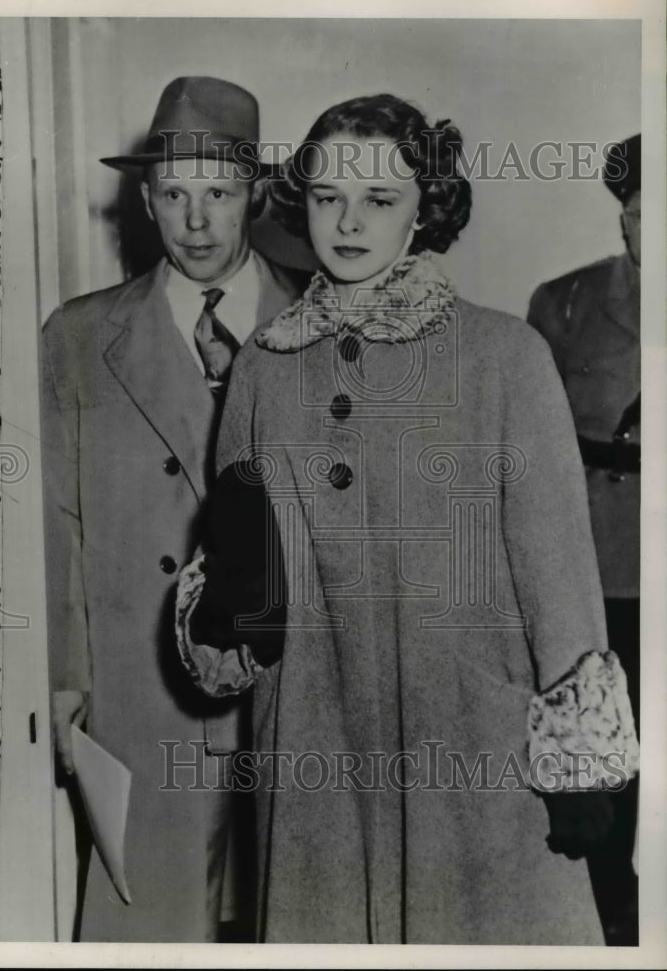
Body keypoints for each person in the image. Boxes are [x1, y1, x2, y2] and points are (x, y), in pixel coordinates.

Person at [175, 95, 639, 944]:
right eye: (327, 199)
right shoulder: (265, 371)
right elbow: (242, 580)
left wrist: (579, 764)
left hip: (472, 744)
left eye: (379, 200)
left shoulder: (504, 357)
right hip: (316, 741)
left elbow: (559, 569)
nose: (348, 223)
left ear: (425, 205)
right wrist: (236, 607)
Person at [40, 76, 305, 942]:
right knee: (148, 922)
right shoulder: (79, 337)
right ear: (147, 199)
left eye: (220, 194)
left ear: (255, 195)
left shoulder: (324, 321)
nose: (197, 223)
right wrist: (67, 674)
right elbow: (56, 521)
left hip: (299, 682)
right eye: (176, 195)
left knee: (303, 915)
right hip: (143, 684)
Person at [527, 134, 641, 945]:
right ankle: (615, 926)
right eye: (640, 215)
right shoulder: (565, 302)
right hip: (607, 567)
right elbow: (533, 448)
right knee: (605, 761)